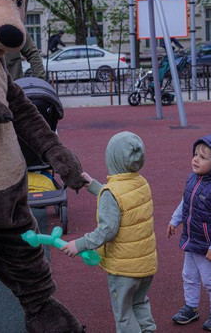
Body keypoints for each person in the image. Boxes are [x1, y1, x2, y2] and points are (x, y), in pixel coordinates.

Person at [60, 131, 158, 333]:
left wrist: (79, 244)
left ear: (112, 159)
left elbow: (107, 230)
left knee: (123, 313)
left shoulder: (111, 193)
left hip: (124, 269)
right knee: (139, 303)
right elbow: (124, 201)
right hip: (145, 264)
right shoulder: (141, 183)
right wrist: (95, 186)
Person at [168, 134, 211, 332]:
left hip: (208, 246)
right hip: (191, 239)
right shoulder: (193, 179)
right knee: (188, 275)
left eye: (203, 157)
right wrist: (174, 220)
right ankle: (191, 307)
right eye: (195, 154)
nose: (196, 159)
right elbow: (185, 202)